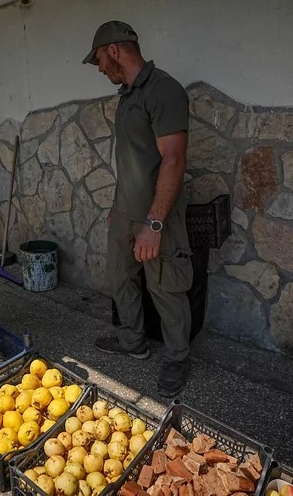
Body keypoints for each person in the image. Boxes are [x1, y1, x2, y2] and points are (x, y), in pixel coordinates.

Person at [82, 21, 194, 398]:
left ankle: (178, 357)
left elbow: (174, 160)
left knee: (166, 288)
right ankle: (133, 342)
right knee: (120, 278)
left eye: (99, 59)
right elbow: (132, 160)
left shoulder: (163, 89)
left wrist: (154, 223)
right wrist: (119, 206)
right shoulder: (128, 94)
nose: (99, 68)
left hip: (155, 218)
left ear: (114, 50)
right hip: (125, 213)